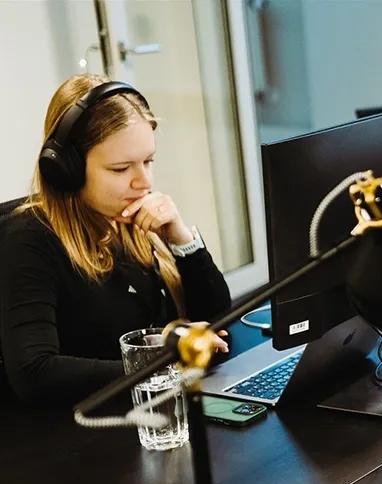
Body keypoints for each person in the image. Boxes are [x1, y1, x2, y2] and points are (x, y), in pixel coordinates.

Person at [0, 74, 231, 405]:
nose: (143, 181)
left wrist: (181, 237)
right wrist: (168, 365)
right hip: (75, 438)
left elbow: (218, 321)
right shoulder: (30, 238)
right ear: (67, 168)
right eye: (121, 169)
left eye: (148, 161)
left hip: (149, 410)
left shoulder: (133, 219)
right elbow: (35, 372)